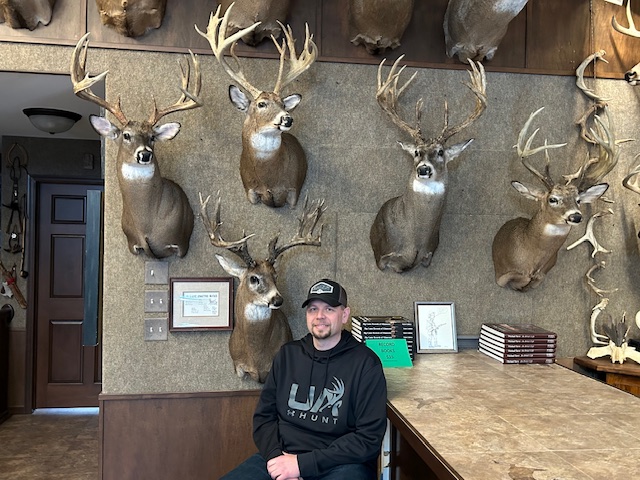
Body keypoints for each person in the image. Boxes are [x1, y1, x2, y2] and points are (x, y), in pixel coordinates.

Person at [221, 278, 388, 480]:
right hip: (282, 456)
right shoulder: (287, 356)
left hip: (340, 464)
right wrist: (280, 465)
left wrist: (301, 465)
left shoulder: (366, 363)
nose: (319, 316)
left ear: (344, 315)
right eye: (312, 309)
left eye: (329, 309)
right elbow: (264, 418)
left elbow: (368, 439)